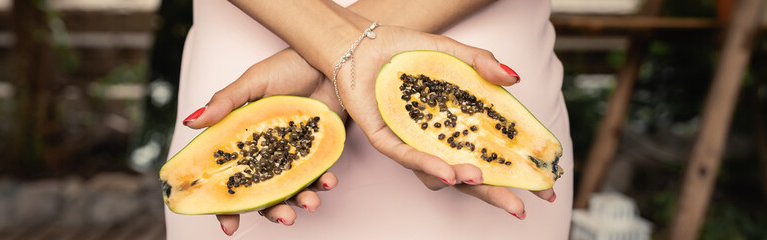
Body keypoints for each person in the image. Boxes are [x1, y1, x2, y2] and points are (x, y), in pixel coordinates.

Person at [167, 0, 573, 239]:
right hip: (249, 105)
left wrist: (339, 51)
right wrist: (343, 48)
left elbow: (351, 48)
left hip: (257, 96)